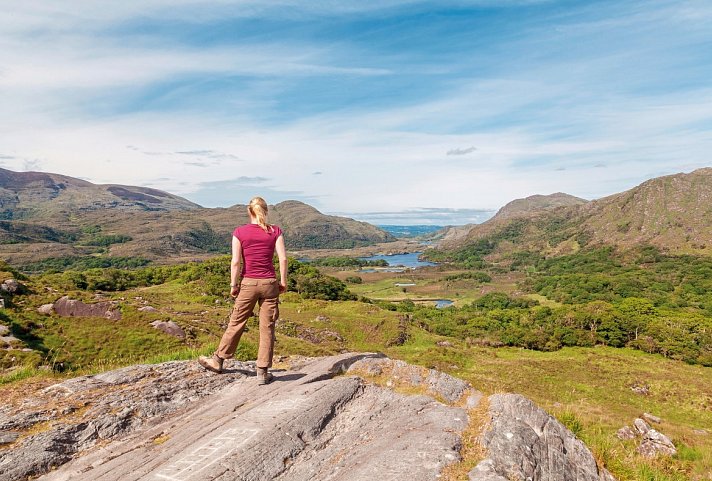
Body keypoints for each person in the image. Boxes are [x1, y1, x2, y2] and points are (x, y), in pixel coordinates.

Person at [198, 197, 287, 384]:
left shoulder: (240, 232)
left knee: (237, 322)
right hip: (270, 283)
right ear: (265, 211)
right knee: (267, 327)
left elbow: (236, 262)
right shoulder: (275, 231)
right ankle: (262, 372)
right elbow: (283, 259)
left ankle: (218, 360)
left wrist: (233, 285)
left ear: (250, 212)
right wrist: (283, 281)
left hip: (248, 283)